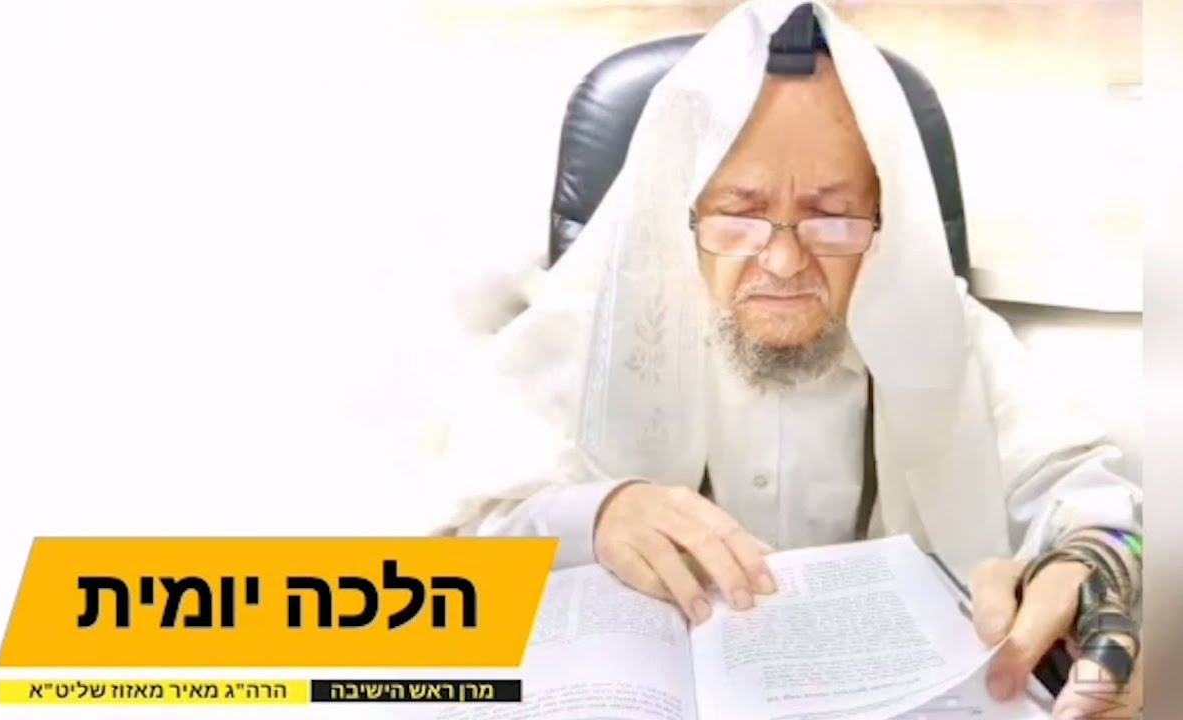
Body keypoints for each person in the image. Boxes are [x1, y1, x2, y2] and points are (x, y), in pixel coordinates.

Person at [428, 1, 1142, 717]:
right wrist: (598, 515)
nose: (783, 261)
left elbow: (1093, 498)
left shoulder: (939, 328)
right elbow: (450, 538)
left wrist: (1100, 563)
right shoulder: (589, 324)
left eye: (833, 217)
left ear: (885, 219)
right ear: (683, 213)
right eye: (739, 214)